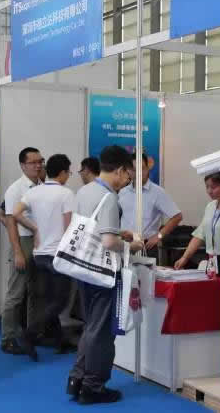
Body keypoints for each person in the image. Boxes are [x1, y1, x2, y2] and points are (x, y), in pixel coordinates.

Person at [67, 146, 144, 405]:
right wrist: (131, 245)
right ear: (120, 170)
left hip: (83, 269)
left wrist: (117, 233)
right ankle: (93, 386)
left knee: (91, 326)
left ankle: (77, 379)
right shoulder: (109, 197)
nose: (128, 181)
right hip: (102, 272)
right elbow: (108, 242)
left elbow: (89, 228)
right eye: (129, 175)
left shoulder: (85, 190)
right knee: (101, 331)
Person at [13, 154, 75, 361]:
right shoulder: (66, 194)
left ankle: (59, 340)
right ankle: (29, 334)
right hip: (58, 255)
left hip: (39, 255)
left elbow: (15, 213)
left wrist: (34, 228)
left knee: (50, 300)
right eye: (69, 172)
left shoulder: (34, 192)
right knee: (60, 301)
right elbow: (69, 228)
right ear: (63, 172)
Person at [1, 147, 44, 356]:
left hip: (41, 243)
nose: (38, 165)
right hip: (23, 241)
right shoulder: (15, 189)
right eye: (33, 162)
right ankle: (8, 338)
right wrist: (17, 251)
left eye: (40, 161)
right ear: (23, 165)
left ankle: (31, 334)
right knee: (16, 293)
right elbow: (10, 222)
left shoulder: (42, 186)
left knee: (36, 292)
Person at [119, 153, 182, 262]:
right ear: (128, 170)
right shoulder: (122, 192)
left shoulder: (157, 192)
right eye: (134, 170)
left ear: (148, 168)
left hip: (146, 246)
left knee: (146, 273)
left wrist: (159, 236)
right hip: (125, 245)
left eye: (142, 168)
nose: (139, 173)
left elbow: (177, 216)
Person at [174, 172, 220, 277]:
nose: (209, 191)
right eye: (207, 187)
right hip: (212, 261)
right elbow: (200, 235)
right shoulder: (210, 207)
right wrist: (184, 258)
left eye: (214, 187)